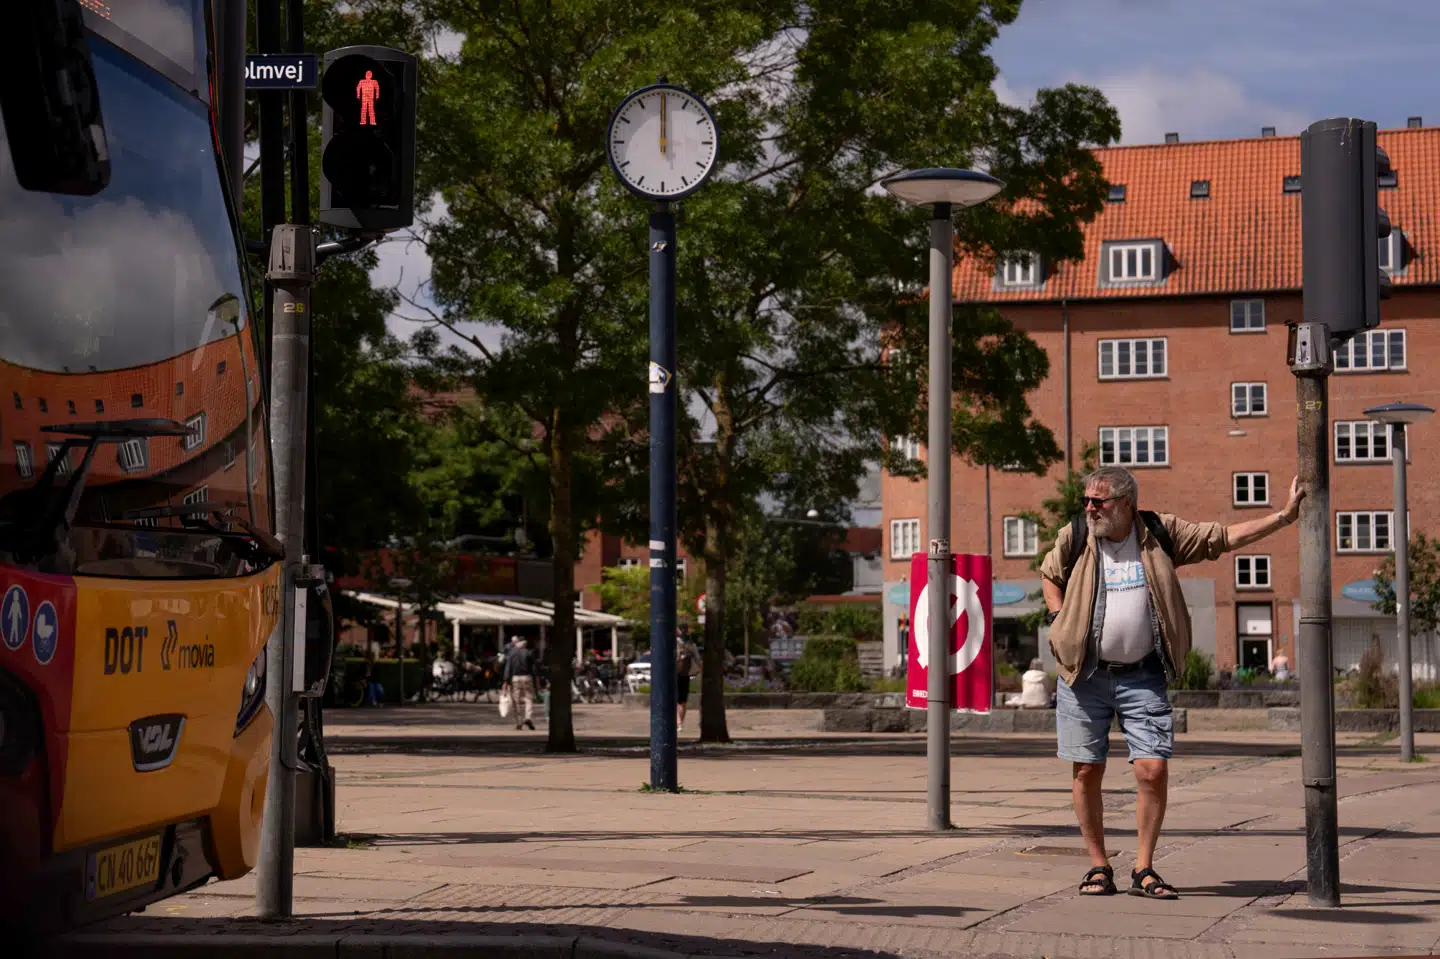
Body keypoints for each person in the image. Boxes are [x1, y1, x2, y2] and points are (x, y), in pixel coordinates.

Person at [1039, 465, 1304, 900]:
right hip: (1083, 674)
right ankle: (1098, 865)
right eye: (1085, 500)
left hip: (1143, 675)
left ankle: (1143, 868)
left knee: (1153, 768)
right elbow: (1050, 574)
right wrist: (1057, 619)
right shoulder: (1077, 535)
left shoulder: (1160, 533)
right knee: (1086, 769)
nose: (1089, 508)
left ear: (1126, 502)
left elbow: (1223, 537)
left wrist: (1283, 517)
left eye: (1098, 501)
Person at [501, 636, 540, 730]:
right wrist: (537, 681)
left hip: (515, 678)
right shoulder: (529, 653)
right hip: (527, 678)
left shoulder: (512, 653)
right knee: (528, 698)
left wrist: (506, 681)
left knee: (516, 700)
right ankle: (528, 717)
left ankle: (519, 722)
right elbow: (534, 669)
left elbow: (508, 668)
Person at [676, 637, 699, 733]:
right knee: (680, 701)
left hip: (682, 675)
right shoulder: (690, 646)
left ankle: (679, 723)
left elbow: (697, 660)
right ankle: (679, 723)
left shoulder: (690, 646)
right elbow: (698, 660)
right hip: (681, 675)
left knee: (681, 701)